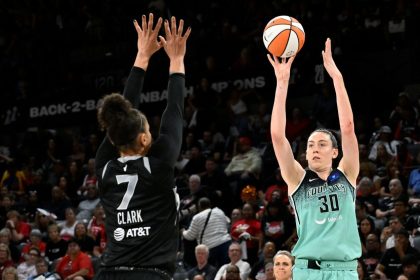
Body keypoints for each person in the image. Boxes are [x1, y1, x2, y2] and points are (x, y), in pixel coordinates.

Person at [93, 13, 191, 280]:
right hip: (150, 274)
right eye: (148, 129)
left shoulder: (104, 167)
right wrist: (177, 60)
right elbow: (175, 111)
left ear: (112, 139)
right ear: (146, 139)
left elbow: (123, 114)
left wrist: (142, 57)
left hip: (109, 273)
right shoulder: (157, 164)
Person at [268, 38, 361, 279]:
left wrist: (337, 79)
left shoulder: (347, 173)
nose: (315, 149)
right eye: (311, 145)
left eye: (322, 144)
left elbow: (348, 127)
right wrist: (282, 82)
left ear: (334, 152)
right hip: (306, 271)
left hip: (345, 271)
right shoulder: (297, 178)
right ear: (306, 154)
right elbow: (278, 137)